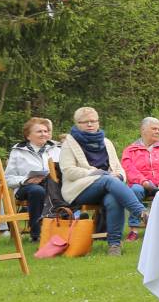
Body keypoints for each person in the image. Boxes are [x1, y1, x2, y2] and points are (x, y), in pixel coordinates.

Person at [60, 107, 148, 256]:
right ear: (77, 123)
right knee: (107, 180)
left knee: (114, 198)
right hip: (80, 189)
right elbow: (68, 171)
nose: (90, 124)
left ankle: (114, 245)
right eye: (85, 122)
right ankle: (141, 212)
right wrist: (95, 173)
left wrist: (119, 176)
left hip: (109, 186)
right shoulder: (69, 144)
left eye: (93, 121)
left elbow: (119, 169)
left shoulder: (106, 142)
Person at [5, 117, 58, 241]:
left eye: (45, 131)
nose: (44, 134)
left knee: (63, 188)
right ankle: (36, 234)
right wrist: (25, 180)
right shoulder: (18, 151)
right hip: (26, 188)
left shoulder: (56, 149)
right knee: (37, 190)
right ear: (28, 136)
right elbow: (8, 178)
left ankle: (65, 226)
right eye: (39, 131)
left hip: (52, 185)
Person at [121, 117, 159, 208]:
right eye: (154, 129)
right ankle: (137, 219)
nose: (157, 132)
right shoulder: (130, 150)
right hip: (141, 183)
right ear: (143, 130)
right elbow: (129, 169)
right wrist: (143, 181)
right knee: (135, 190)